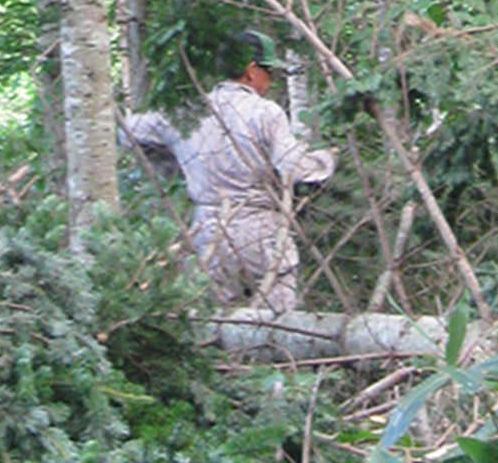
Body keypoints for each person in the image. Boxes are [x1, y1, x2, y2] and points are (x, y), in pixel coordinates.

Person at [125, 45, 338, 312]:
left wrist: (172, 164)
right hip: (260, 229)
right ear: (251, 71)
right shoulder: (264, 112)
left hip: (207, 232)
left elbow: (128, 132)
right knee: (278, 326)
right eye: (268, 72)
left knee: (212, 324)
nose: (271, 82)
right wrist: (326, 160)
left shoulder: (184, 111)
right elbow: (295, 169)